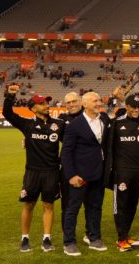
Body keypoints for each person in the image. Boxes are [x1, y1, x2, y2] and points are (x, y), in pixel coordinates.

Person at [3, 85, 66, 253]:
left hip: (52, 172)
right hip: (32, 172)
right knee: (28, 205)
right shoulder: (26, 125)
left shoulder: (59, 125)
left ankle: (47, 238)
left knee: (48, 205)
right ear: (33, 108)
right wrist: (10, 95)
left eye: (47, 102)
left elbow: (69, 144)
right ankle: (25, 238)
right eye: (42, 103)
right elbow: (8, 113)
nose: (46, 105)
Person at [61, 92, 111, 256]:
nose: (99, 102)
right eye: (95, 101)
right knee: (73, 209)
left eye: (99, 99)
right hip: (80, 176)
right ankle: (69, 242)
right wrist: (71, 175)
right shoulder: (75, 125)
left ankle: (93, 237)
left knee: (95, 207)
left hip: (98, 174)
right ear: (85, 104)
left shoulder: (103, 119)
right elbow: (66, 153)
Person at [103, 94, 139, 252]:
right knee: (120, 205)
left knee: (132, 204)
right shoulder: (116, 124)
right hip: (121, 172)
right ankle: (121, 238)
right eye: (133, 106)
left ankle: (126, 234)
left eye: (138, 106)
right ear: (127, 107)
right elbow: (105, 145)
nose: (136, 109)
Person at [58, 92, 83, 235]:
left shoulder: (88, 116)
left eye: (74, 101)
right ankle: (68, 235)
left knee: (90, 203)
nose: (71, 105)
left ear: (80, 101)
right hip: (68, 167)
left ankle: (89, 233)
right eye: (68, 103)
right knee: (66, 204)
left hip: (87, 166)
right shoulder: (62, 119)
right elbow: (49, 134)